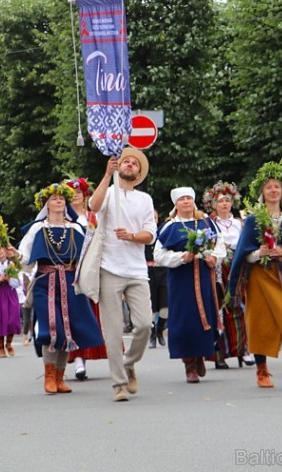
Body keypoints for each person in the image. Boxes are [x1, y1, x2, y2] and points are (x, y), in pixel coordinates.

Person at [14, 184, 104, 394]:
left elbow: (87, 257)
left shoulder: (74, 229)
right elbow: (24, 257)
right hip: (46, 282)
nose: (58, 202)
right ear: (46, 203)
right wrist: (14, 256)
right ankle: (48, 376)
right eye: (54, 198)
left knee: (68, 329)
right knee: (50, 328)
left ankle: (60, 377)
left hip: (71, 282)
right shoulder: (37, 228)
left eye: (61, 199)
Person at [229, 161, 282, 390]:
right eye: (269, 187)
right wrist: (258, 253)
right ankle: (262, 370)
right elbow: (242, 252)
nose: (274, 190)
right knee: (260, 322)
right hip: (260, 276)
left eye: (277, 186)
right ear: (262, 192)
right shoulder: (254, 219)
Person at [89, 148, 157, 402]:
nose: (130, 165)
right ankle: (119, 383)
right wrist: (107, 175)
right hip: (109, 268)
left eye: (134, 164)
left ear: (139, 172)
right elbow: (92, 206)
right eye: (126, 161)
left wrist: (131, 236)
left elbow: (150, 233)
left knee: (143, 324)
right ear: (119, 167)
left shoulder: (145, 199)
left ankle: (129, 363)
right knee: (113, 331)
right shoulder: (108, 193)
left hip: (137, 270)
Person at [154, 187, 221, 382]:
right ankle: (188, 363)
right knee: (185, 320)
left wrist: (214, 257)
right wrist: (182, 257)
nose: (186, 202)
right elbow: (159, 254)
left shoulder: (206, 222)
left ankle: (199, 355)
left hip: (204, 277)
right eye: (182, 199)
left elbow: (219, 243)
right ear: (176, 203)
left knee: (204, 317)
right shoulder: (170, 227)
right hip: (181, 280)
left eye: (188, 198)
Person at [64, 177, 108, 380]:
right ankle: (78, 360)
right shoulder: (64, 219)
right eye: (72, 194)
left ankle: (102, 354)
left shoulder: (93, 217)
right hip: (71, 270)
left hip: (91, 269)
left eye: (79, 193)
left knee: (96, 313)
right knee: (75, 314)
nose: (75, 196)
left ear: (85, 196)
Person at [202, 181, 250, 368]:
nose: (224, 204)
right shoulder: (209, 223)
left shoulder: (239, 223)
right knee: (220, 308)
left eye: (227, 201)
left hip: (238, 266)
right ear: (213, 204)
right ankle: (219, 354)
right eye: (220, 201)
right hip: (219, 268)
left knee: (240, 306)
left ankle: (243, 351)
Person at [146, 209, 168, 349]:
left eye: (154, 217)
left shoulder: (163, 232)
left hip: (163, 270)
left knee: (165, 305)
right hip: (147, 271)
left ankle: (160, 329)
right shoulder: (143, 234)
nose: (152, 219)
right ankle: (152, 333)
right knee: (151, 305)